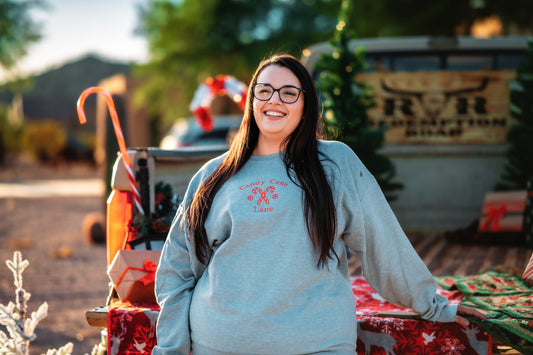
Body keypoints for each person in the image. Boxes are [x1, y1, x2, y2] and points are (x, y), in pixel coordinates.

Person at [152, 54, 486, 354]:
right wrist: (171, 349)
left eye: (288, 92)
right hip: (222, 342)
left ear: (306, 103)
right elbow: (178, 270)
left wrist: (435, 305)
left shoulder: (334, 163)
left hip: (318, 343)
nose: (274, 100)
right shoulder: (215, 174)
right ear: (252, 99)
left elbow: (383, 242)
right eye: (264, 90)